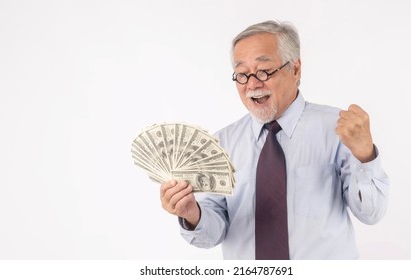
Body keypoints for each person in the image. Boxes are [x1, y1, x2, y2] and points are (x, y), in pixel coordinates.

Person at [160, 20, 389, 259]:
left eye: (263, 71)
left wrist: (365, 156)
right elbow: (211, 234)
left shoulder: (338, 129)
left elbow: (371, 213)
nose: (252, 84)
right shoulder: (220, 144)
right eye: (242, 74)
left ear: (295, 69)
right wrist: (192, 214)